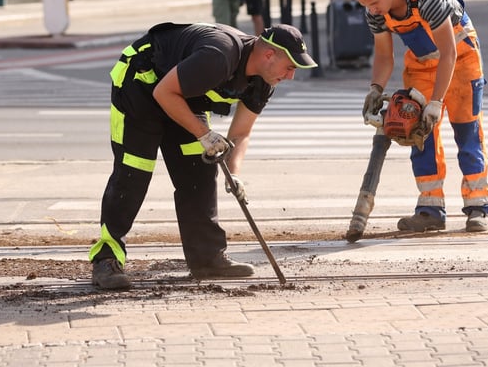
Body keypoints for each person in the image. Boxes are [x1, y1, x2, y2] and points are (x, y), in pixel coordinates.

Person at [89, 22, 317, 289]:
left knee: (198, 170)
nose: (291, 76)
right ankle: (106, 259)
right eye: (290, 67)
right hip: (141, 84)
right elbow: (163, 92)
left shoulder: (263, 82)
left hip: (182, 98)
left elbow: (241, 133)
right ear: (269, 55)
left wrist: (235, 175)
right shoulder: (219, 56)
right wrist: (203, 134)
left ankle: (207, 259)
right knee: (134, 170)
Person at [351, 0, 488, 234]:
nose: (373, 9)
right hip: (422, 65)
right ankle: (430, 210)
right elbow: (383, 55)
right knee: (417, 132)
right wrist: (375, 88)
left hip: (460, 59)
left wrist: (436, 102)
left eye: (375, 2)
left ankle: (477, 208)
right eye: (367, 5)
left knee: (467, 131)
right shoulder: (375, 12)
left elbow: (448, 52)